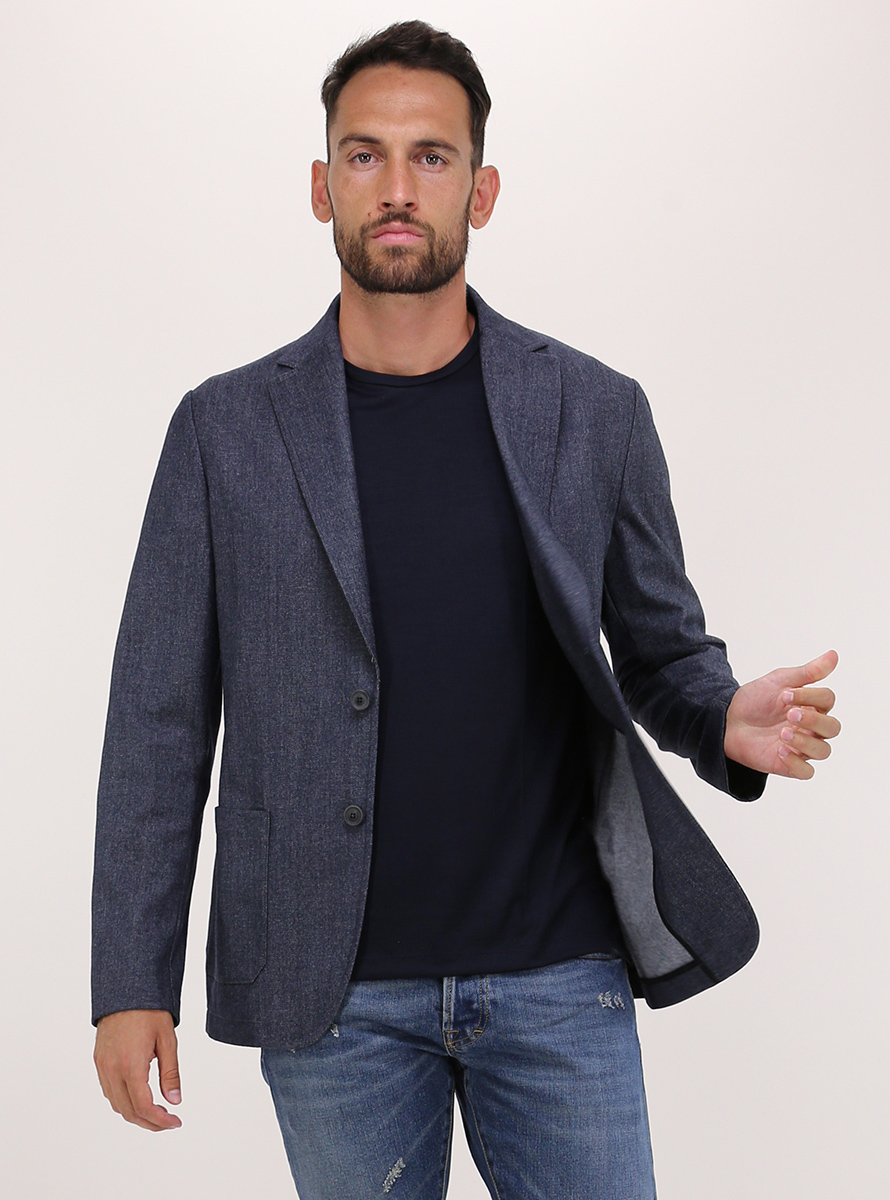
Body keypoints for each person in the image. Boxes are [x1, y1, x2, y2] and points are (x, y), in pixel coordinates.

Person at [91, 20, 841, 1199]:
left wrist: (719, 717)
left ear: (480, 192)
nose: (396, 187)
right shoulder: (222, 432)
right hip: (329, 993)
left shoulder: (593, 410)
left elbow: (659, 655)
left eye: (430, 157)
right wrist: (131, 982)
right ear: (320, 186)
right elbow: (157, 722)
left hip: (559, 975)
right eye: (365, 155)